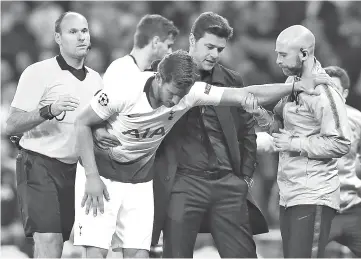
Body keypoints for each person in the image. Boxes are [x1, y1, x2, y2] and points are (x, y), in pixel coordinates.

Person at [152, 12, 266, 258]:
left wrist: (244, 177)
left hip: (227, 184)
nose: (214, 54)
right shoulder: (164, 75)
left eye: (220, 49)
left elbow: (247, 132)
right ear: (192, 40)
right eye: (209, 46)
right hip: (182, 182)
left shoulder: (231, 80)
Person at [5, 11, 103, 258]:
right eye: (73, 32)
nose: (81, 37)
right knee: (49, 241)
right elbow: (12, 124)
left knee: (61, 244)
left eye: (84, 31)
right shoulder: (38, 72)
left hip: (75, 170)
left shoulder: (96, 80)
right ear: (58, 38)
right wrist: (49, 109)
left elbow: (94, 129)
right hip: (38, 163)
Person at [249, 25, 351, 258]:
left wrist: (295, 142)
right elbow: (280, 130)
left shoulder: (324, 92)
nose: (276, 60)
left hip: (314, 194)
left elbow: (341, 142)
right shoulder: (291, 82)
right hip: (291, 193)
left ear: (304, 54)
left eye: (283, 54)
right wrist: (259, 114)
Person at [92, 13, 179, 151]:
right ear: (156, 42)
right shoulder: (121, 69)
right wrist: (97, 128)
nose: (170, 52)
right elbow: (98, 111)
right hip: (117, 155)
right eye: (168, 46)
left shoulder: (158, 73)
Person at [324, 66, 361, 257]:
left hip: (351, 208)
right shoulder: (302, 119)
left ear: (345, 93)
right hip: (317, 211)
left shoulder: (357, 119)